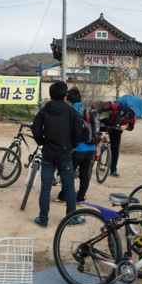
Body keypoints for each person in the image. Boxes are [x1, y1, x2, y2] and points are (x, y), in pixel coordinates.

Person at [31, 81, 82, 228]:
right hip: (65, 153)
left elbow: (36, 128)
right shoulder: (71, 111)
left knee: (45, 187)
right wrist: (73, 145)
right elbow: (78, 130)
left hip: (48, 153)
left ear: (51, 95)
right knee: (69, 187)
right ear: (65, 96)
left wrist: (42, 142)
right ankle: (71, 218)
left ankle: (43, 218)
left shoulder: (45, 110)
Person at [52, 87, 96, 204]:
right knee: (85, 174)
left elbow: (67, 130)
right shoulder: (87, 109)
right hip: (91, 147)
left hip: (77, 148)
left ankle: (63, 196)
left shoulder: (70, 110)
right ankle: (81, 197)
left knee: (67, 173)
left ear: (68, 99)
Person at [97, 101, 136, 178]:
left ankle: (113, 170)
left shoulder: (132, 115)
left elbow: (131, 127)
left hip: (117, 129)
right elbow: (102, 109)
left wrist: (126, 127)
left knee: (115, 149)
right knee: (95, 127)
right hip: (108, 123)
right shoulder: (116, 106)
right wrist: (96, 115)